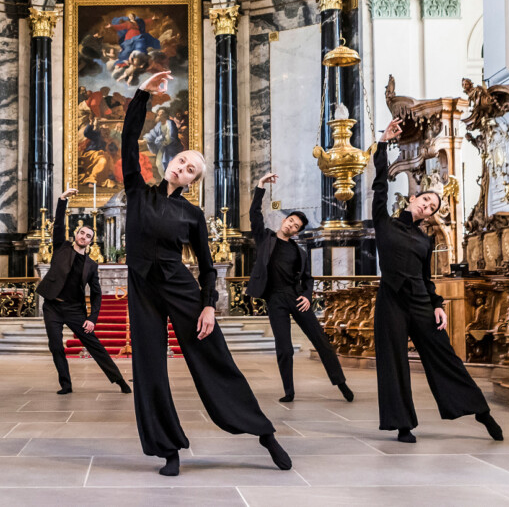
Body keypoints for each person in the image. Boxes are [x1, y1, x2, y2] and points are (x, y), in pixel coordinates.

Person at [123, 70, 292, 477]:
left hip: (180, 288)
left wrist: (208, 307)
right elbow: (128, 141)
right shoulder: (137, 191)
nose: (183, 168)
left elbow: (206, 264)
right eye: (182, 161)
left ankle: (263, 432)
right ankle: (169, 449)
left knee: (214, 357)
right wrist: (142, 96)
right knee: (149, 367)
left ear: (194, 182)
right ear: (170, 161)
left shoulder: (192, 213)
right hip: (142, 289)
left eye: (192, 170)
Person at [373, 118, 503, 444]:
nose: (428, 206)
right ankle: (403, 425)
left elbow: (424, 277)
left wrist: (437, 305)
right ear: (413, 199)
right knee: (394, 361)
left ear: (430, 214)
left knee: (442, 355)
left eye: (433, 207)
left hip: (418, 301)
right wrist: (384, 144)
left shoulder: (424, 240)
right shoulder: (385, 223)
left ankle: (480, 411)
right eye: (426, 200)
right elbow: (379, 184)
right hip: (390, 299)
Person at [248, 172, 353, 403]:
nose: (291, 225)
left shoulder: (299, 251)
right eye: (290, 221)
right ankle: (289, 391)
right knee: (284, 348)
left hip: (296, 298)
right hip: (275, 299)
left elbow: (307, 279)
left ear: (297, 231)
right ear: (284, 221)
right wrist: (260, 186)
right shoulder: (265, 238)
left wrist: (306, 296)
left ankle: (341, 383)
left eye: (296, 226)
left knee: (322, 342)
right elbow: (254, 214)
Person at [36, 187, 131, 395]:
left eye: (88, 236)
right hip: (52, 306)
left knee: (94, 344)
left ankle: (119, 381)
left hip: (74, 310)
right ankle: (66, 385)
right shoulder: (61, 248)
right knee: (56, 346)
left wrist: (92, 318)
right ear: (77, 234)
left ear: (90, 241)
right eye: (82, 233)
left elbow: (96, 294)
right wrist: (62, 200)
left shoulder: (92, 265)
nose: (84, 237)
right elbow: (59, 225)